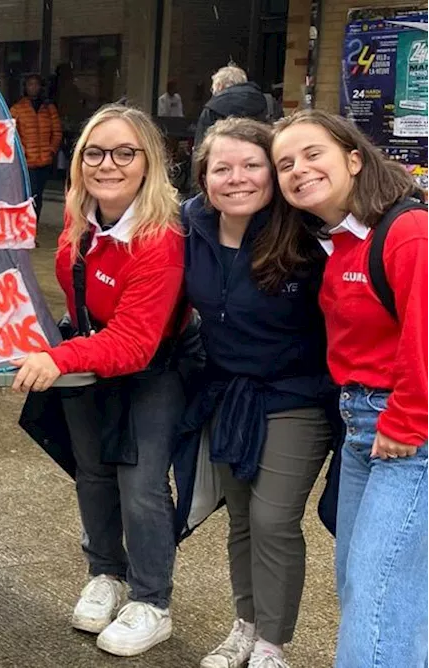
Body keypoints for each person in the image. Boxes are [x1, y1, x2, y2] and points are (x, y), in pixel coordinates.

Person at [12, 105, 185, 657]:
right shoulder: (81, 220)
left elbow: (136, 341)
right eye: (95, 152)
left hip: (152, 365)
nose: (107, 164)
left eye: (124, 153)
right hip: (90, 356)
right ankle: (106, 574)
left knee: (142, 486)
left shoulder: (160, 239)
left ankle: (152, 601)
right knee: (91, 471)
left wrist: (61, 358)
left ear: (148, 164)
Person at [272, 109, 429, 667]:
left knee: (377, 602)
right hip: (363, 428)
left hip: (407, 437)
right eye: (285, 163)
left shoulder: (407, 231)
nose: (298, 170)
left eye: (313, 154)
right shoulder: (339, 242)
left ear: (355, 158)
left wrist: (405, 423)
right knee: (372, 592)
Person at [178, 118, 335, 668]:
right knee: (241, 516)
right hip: (227, 392)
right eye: (223, 167)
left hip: (297, 393)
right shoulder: (188, 226)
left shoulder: (306, 234)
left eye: (252, 165)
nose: (237, 178)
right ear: (204, 176)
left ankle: (273, 645)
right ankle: (245, 626)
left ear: (272, 173)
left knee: (273, 519)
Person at [10, 73, 62, 219]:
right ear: (25, 87)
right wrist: (22, 153)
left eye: (36, 84)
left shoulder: (49, 108)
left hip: (44, 160)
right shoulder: (17, 108)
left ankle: (34, 228)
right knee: (28, 196)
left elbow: (57, 132)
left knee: (38, 197)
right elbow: (11, 134)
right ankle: (26, 227)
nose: (33, 87)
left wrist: (52, 150)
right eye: (30, 84)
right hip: (27, 162)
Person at [194, 64, 268, 160]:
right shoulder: (267, 103)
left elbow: (200, 150)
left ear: (220, 86)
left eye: (213, 89)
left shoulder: (212, 108)